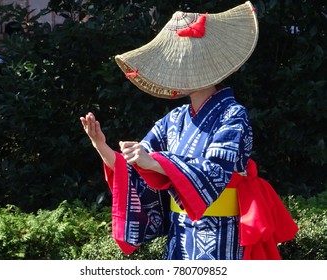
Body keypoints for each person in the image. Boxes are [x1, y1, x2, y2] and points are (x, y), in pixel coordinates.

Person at [80, 1, 298, 260]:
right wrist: (102, 146)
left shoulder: (232, 115)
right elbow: (138, 167)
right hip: (180, 236)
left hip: (223, 236)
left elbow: (216, 172)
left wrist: (158, 162)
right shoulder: (175, 119)